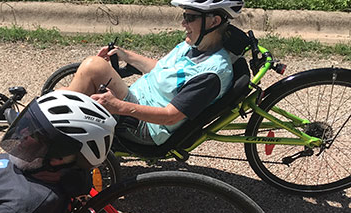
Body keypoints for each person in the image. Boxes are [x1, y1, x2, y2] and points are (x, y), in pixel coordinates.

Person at [66, 0, 244, 146]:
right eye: (184, 16)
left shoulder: (210, 74)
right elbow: (162, 70)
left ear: (214, 22)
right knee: (68, 94)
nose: (183, 23)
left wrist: (119, 107)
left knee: (94, 67)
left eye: (190, 17)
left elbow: (170, 116)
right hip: (137, 101)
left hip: (147, 126)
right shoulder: (196, 45)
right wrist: (125, 55)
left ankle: (57, 137)